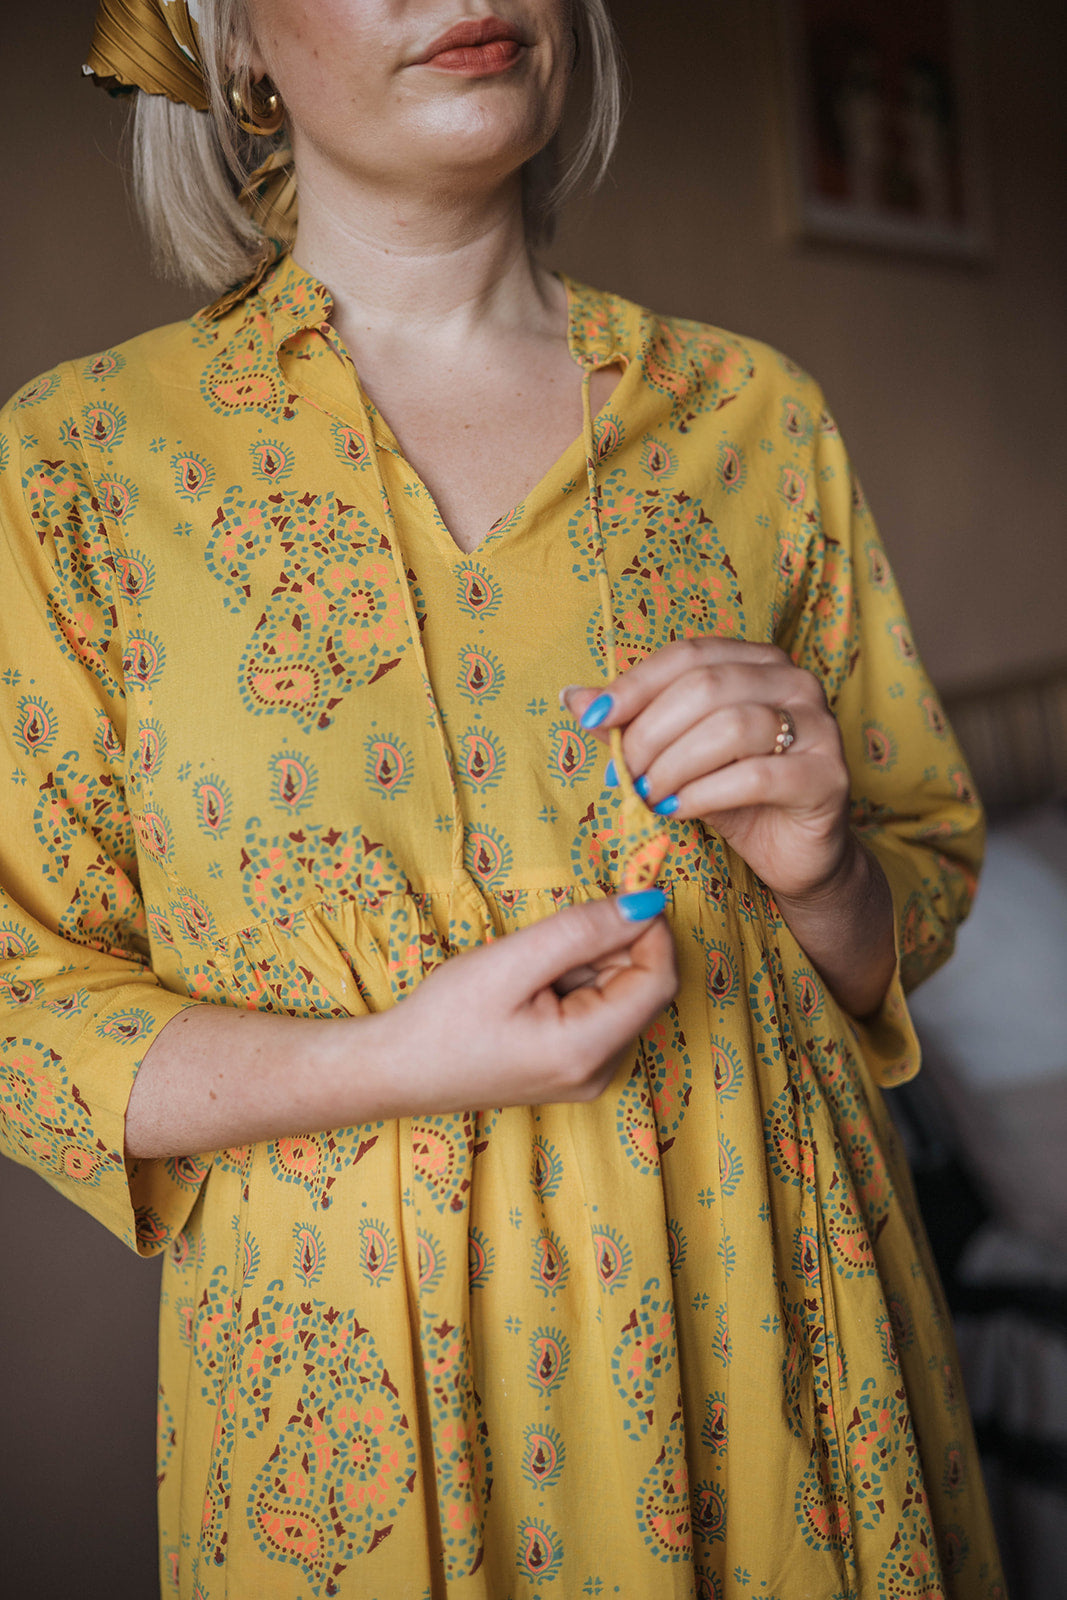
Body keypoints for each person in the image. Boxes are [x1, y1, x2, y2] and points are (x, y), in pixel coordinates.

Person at [0, 1, 1006, 1595]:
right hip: (354, 1411)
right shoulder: (75, 468)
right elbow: (19, 1006)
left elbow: (906, 924)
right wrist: (390, 1059)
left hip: (787, 1332)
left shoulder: (759, 420)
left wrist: (825, 877)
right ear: (235, 43)